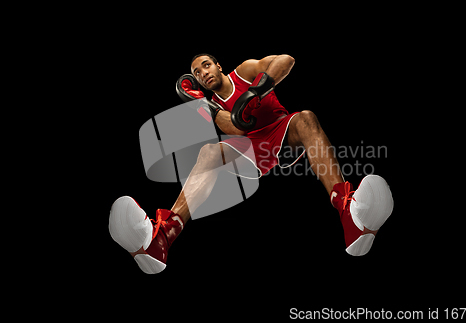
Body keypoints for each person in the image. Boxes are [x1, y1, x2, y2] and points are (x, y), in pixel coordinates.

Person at [109, 54, 394, 274]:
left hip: (284, 131)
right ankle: (162, 237)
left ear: (218, 66)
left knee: (307, 116)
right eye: (197, 73)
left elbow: (285, 60)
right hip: (253, 147)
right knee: (210, 152)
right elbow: (238, 130)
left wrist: (256, 89)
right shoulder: (210, 107)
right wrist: (209, 107)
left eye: (206, 65)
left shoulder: (244, 71)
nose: (203, 73)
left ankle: (349, 213)